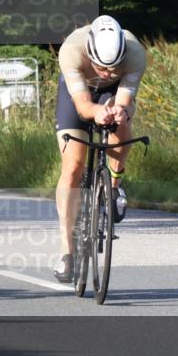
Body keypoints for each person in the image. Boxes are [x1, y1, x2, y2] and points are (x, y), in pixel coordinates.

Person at [52, 15, 148, 282]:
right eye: (101, 67)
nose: (106, 73)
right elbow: (83, 107)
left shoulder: (135, 53)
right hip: (78, 94)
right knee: (72, 165)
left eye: (113, 67)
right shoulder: (72, 49)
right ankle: (67, 252)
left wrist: (119, 111)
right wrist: (96, 113)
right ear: (90, 52)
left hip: (112, 93)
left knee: (123, 125)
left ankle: (114, 186)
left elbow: (126, 100)